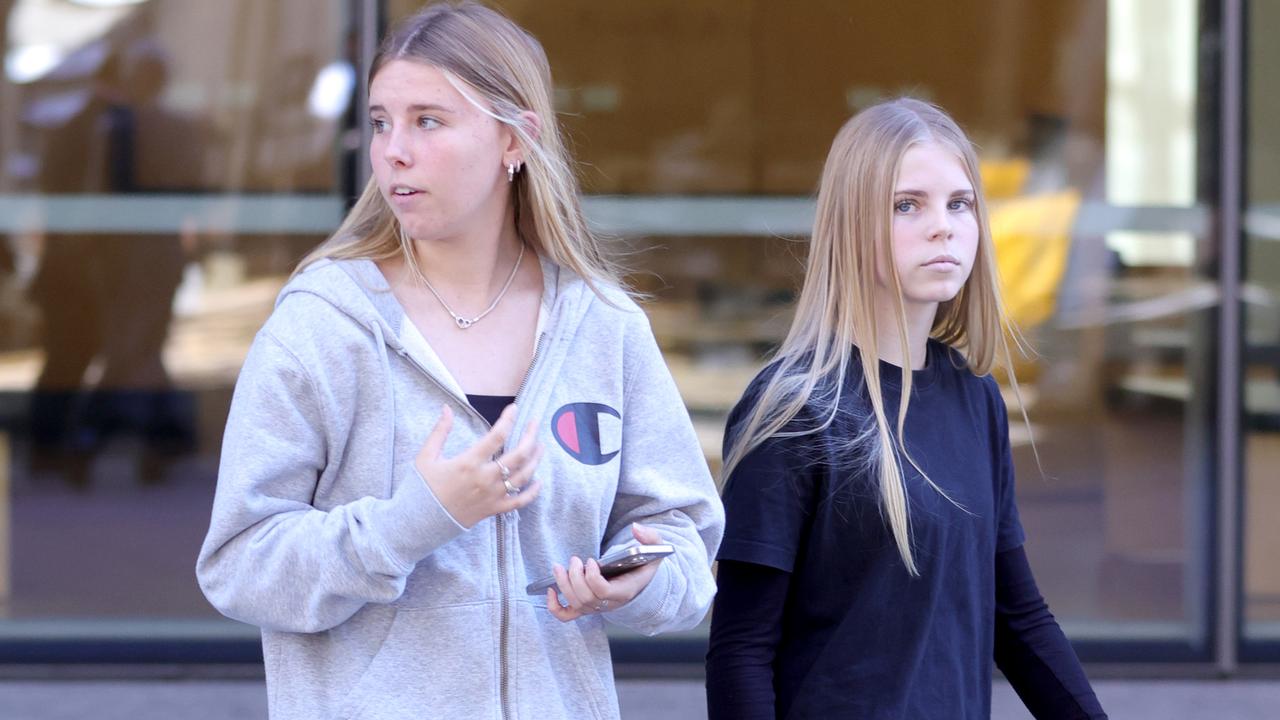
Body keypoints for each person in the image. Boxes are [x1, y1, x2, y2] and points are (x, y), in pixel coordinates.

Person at [195, 3, 723, 718]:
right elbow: (241, 564)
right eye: (381, 121)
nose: (393, 151)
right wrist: (413, 520)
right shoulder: (322, 328)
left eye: (428, 121)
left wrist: (642, 579)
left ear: (514, 138)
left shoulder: (603, 326)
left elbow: (686, 541)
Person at [704, 98, 1107, 719]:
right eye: (906, 205)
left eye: (960, 203)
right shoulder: (794, 409)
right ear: (851, 223)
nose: (942, 226)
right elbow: (741, 651)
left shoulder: (975, 399)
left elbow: (1018, 616)